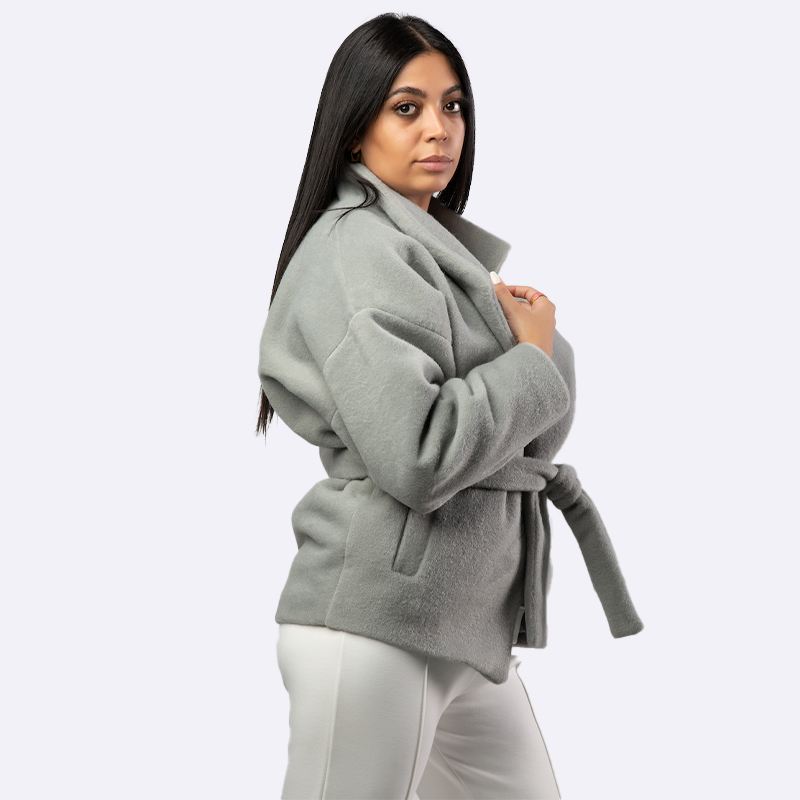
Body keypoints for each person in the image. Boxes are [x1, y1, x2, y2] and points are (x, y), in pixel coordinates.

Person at [255, 12, 644, 799]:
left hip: (461, 627)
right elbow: (420, 454)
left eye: (454, 105)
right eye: (407, 107)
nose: (440, 128)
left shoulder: (437, 258)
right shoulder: (356, 250)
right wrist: (529, 357)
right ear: (353, 127)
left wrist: (527, 347)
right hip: (373, 625)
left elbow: (525, 439)